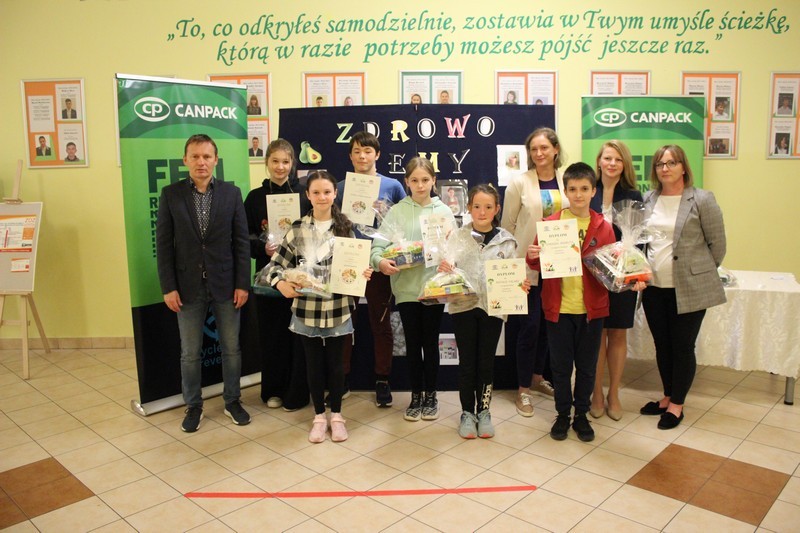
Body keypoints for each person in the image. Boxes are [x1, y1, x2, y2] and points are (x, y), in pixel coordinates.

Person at [263, 171, 372, 443]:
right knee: (312, 365)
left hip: (338, 306)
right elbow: (273, 267)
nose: (322, 197)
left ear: (335, 194)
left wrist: (363, 272)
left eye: (327, 192)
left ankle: (337, 416)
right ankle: (319, 417)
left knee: (336, 365)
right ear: (307, 195)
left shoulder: (346, 228)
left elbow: (357, 265)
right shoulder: (297, 229)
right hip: (307, 307)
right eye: (316, 192)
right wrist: (281, 283)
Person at [156, 134, 251, 433]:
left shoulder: (231, 194)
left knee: (232, 348)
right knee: (190, 352)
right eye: (195, 156)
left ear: (215, 160)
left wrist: (242, 284)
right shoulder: (171, 195)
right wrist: (168, 287)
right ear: (185, 160)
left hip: (226, 284)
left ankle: (232, 401)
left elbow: (241, 243)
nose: (201, 162)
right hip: (186, 287)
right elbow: (163, 245)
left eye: (207, 156)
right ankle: (193, 406)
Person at [637, 145, 726, 430]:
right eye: (660, 164)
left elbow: (717, 245)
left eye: (671, 163)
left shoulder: (701, 199)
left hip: (689, 287)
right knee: (662, 344)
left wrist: (697, 271)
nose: (665, 168)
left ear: (683, 167)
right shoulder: (648, 199)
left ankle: (677, 404)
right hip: (654, 287)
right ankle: (667, 396)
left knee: (683, 346)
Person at [526, 162, 615, 442]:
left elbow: (612, 268)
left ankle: (581, 415)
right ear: (565, 191)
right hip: (559, 309)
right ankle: (563, 414)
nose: (578, 195)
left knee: (587, 368)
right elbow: (537, 263)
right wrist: (532, 255)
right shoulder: (551, 225)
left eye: (584, 189)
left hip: (592, 310)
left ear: (593, 191)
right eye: (573, 189)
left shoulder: (604, 227)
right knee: (561, 368)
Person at [441, 184, 530, 439]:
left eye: (488, 207)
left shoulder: (507, 241)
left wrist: (520, 285)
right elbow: (448, 268)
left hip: (493, 309)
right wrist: (444, 267)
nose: (482, 212)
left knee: (486, 362)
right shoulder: (457, 237)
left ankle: (484, 412)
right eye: (477, 206)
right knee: (467, 362)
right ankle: (467, 413)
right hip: (463, 306)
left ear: (497, 209)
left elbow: (513, 274)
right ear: (469, 208)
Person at [370, 157, 455, 422]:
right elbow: (377, 248)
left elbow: (455, 250)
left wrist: (450, 261)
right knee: (413, 343)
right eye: (415, 180)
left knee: (430, 343)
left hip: (434, 288)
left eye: (425, 180)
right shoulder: (396, 212)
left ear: (433, 181)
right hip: (406, 290)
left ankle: (431, 395)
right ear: (406, 182)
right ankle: (415, 395)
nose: (420, 185)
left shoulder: (444, 212)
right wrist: (381, 262)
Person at [501, 127, 568, 417]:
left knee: (550, 328)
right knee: (528, 328)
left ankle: (539, 378)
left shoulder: (568, 180)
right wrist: (513, 267)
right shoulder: (519, 183)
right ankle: (523, 390)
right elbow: (507, 228)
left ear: (555, 149)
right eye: (534, 149)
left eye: (544, 148)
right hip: (527, 269)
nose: (539, 153)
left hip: (561, 267)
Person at [336, 131, 406, 407]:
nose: (362, 156)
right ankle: (341, 378)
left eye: (367, 151)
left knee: (381, 321)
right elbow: (333, 225)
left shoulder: (392, 185)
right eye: (357, 151)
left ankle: (382, 380)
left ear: (377, 154)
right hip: (349, 260)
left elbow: (403, 223)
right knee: (343, 321)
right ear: (350, 156)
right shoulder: (340, 187)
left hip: (379, 261)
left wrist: (385, 212)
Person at [244, 139, 311, 411]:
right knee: (272, 334)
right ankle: (272, 390)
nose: (280, 167)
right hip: (268, 276)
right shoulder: (254, 198)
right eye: (275, 161)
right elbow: (243, 237)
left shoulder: (304, 194)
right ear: (267, 162)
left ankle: (297, 391)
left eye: (285, 161)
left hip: (301, 274)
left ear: (292, 163)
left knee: (299, 335)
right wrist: (262, 247)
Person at [588, 140, 643, 421]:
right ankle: (596, 393)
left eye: (618, 160)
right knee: (597, 335)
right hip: (592, 276)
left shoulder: (633, 195)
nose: (612, 164)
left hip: (624, 276)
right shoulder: (589, 191)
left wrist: (638, 275)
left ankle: (614, 394)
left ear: (624, 165)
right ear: (599, 161)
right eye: (607, 158)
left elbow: (641, 240)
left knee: (618, 333)